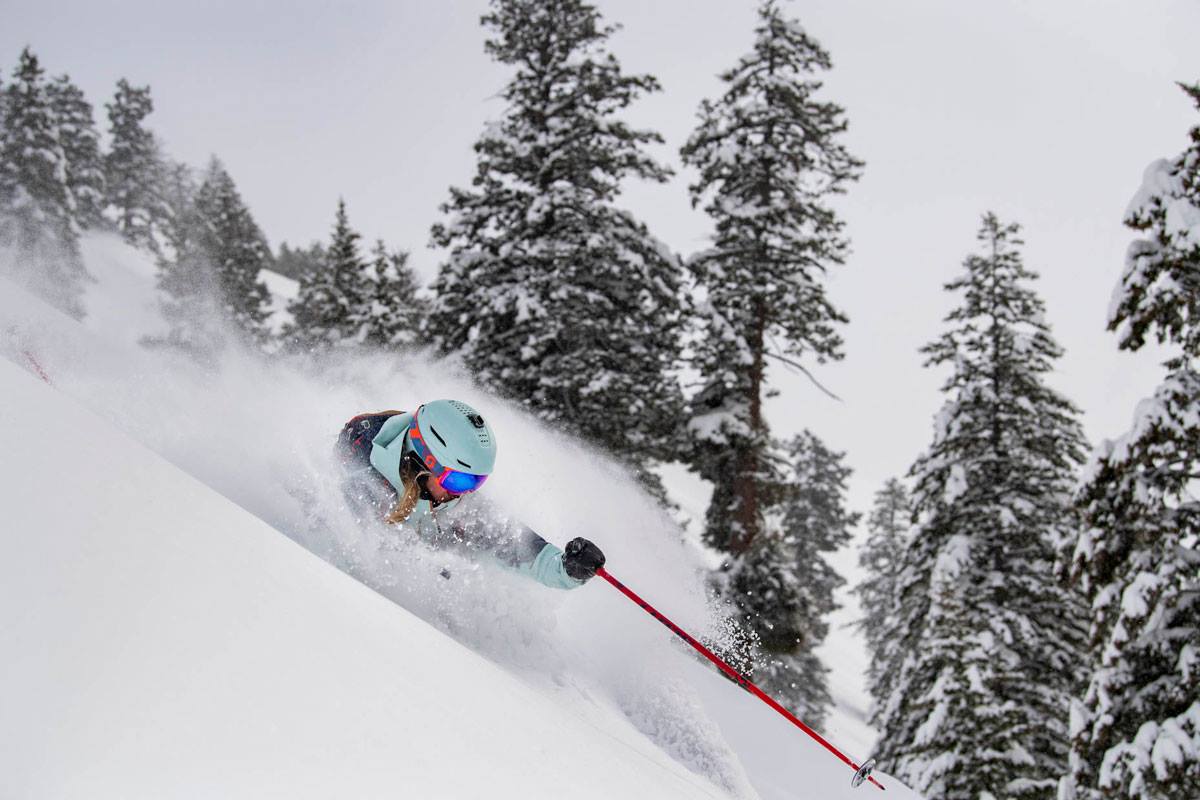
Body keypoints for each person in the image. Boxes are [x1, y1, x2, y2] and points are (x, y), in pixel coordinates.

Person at [337, 399, 606, 589]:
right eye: (459, 479)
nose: (465, 492)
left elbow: (520, 549)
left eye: (477, 482)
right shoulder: (365, 479)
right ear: (424, 460)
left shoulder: (458, 505)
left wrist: (568, 569)